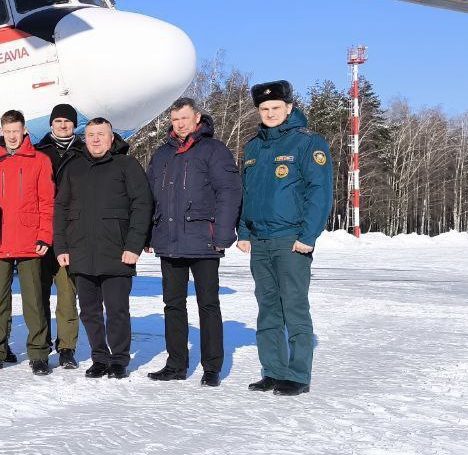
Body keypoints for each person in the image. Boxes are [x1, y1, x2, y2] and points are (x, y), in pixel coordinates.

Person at [236, 80, 333, 396]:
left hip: (291, 240)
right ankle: (274, 371)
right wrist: (244, 231)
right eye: (264, 109)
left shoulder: (308, 143)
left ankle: (298, 374)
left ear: (289, 107)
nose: (270, 113)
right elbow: (247, 193)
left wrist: (309, 235)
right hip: (260, 241)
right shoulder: (253, 146)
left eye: (276, 107)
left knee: (293, 305)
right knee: (267, 307)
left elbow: (320, 191)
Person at [145, 97, 242, 386]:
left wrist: (223, 234)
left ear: (197, 118)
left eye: (184, 119)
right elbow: (149, 197)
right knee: (173, 305)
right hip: (169, 241)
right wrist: (150, 234)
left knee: (208, 305)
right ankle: (176, 364)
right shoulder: (162, 154)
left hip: (204, 241)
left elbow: (229, 192)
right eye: (175, 120)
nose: (180, 124)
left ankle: (212, 366)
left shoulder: (214, 151)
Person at [55, 118, 151, 379]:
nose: (96, 139)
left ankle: (119, 359)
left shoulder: (126, 165)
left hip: (117, 250)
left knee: (117, 309)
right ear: (84, 138)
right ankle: (99, 357)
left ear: (111, 138)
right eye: (91, 135)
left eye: (101, 134)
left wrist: (134, 246)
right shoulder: (73, 168)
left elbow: (142, 205)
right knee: (89, 310)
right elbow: (61, 208)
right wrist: (61, 246)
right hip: (81, 250)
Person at [0, 110, 56, 375]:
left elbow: (47, 202)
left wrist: (44, 235)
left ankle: (39, 353)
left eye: (17, 130)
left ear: (24, 130)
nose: (13, 136)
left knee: (34, 299)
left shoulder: (39, 160)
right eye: (8, 131)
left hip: (30, 239)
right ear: (1, 132)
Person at [33, 103, 86, 369]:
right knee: (38, 294)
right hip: (40, 232)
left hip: (70, 233)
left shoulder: (84, 152)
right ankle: (40, 347)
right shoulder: (37, 152)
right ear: (51, 124)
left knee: (67, 294)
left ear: (74, 125)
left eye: (67, 121)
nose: (63, 125)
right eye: (58, 121)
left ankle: (66, 347)